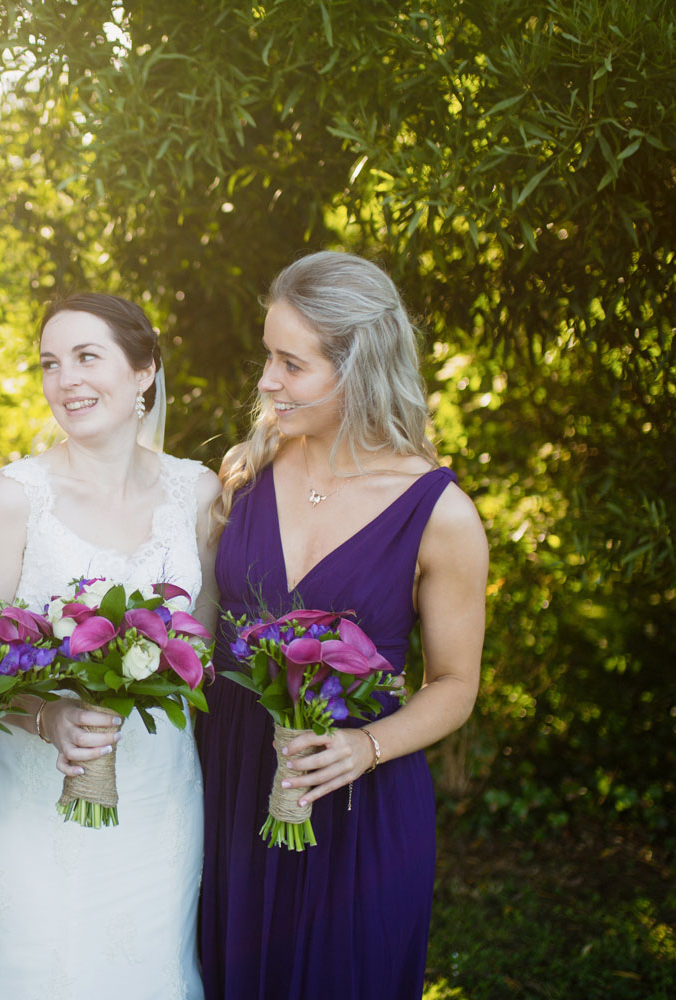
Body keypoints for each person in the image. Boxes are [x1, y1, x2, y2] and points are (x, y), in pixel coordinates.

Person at [198, 251, 488, 999]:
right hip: (232, 787)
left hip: (359, 807)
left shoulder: (441, 515)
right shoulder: (246, 475)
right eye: (269, 356)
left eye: (291, 364)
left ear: (359, 368)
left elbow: (455, 685)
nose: (267, 381)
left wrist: (365, 747)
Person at [0, 292, 220, 1000]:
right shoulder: (14, 497)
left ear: (144, 369)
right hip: (34, 792)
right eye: (51, 364)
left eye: (88, 357)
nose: (66, 381)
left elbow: (199, 655)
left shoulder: (199, 493)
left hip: (158, 791)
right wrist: (48, 717)